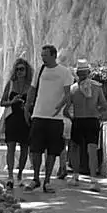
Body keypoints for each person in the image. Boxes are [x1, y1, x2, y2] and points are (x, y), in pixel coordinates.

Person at [26, 43, 74, 193]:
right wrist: (27, 107)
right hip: (39, 114)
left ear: (54, 56)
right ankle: (35, 179)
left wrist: (59, 106)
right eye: (42, 56)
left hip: (55, 118)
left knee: (52, 151)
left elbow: (68, 94)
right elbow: (32, 90)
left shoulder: (64, 72)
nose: (43, 58)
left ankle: (47, 181)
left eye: (45, 55)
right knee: (35, 149)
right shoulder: (40, 71)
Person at [66, 59, 106, 181]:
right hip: (92, 120)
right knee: (92, 149)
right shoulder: (97, 87)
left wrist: (71, 118)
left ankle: (75, 176)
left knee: (75, 148)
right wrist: (97, 113)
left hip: (78, 120)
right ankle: (93, 178)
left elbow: (65, 110)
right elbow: (104, 106)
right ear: (88, 73)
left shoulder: (73, 89)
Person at [0, 58, 34, 186]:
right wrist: (12, 102)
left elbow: (34, 103)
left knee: (25, 148)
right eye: (17, 69)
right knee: (11, 147)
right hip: (12, 119)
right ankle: (9, 176)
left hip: (25, 120)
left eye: (22, 69)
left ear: (26, 71)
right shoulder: (10, 84)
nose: (19, 72)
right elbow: (2, 102)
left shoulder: (31, 86)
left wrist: (28, 107)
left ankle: (20, 173)